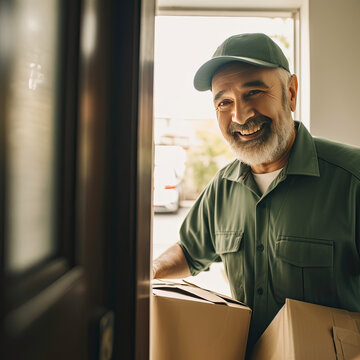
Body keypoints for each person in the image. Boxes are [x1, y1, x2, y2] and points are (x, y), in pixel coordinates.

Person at [152, 33, 360, 350]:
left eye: (254, 92)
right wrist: (150, 273)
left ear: (290, 93)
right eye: (224, 102)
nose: (240, 115)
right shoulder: (222, 187)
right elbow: (190, 250)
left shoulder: (352, 179)